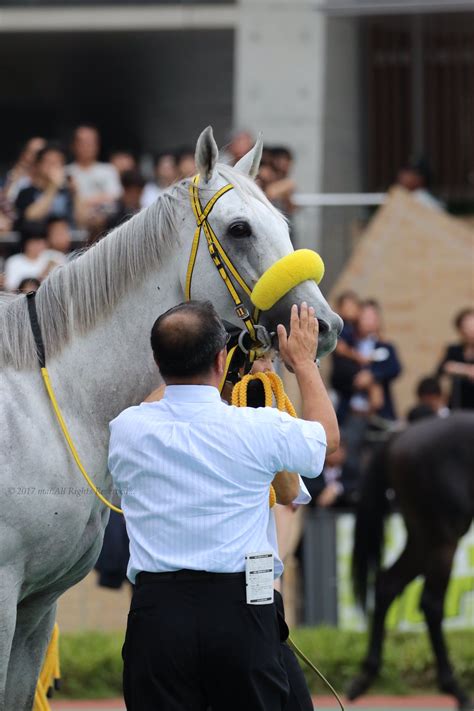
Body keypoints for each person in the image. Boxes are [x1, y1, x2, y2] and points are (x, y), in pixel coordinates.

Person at [108, 300, 339, 710]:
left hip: (157, 614)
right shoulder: (257, 426)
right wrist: (303, 363)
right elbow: (327, 439)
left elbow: (162, 396)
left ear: (158, 362)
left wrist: (211, 359)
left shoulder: (127, 429)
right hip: (240, 611)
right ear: (220, 359)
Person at [14, 145, 78, 235]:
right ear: (38, 165)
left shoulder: (68, 191)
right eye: (49, 162)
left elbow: (81, 221)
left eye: (57, 162)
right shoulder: (26, 192)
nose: (53, 166)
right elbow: (31, 217)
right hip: (36, 242)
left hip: (68, 243)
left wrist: (76, 194)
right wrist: (53, 187)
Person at [67, 125, 122, 227]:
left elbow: (115, 195)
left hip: (107, 226)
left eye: (91, 142)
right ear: (73, 145)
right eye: (83, 143)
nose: (87, 146)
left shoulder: (108, 170)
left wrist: (84, 202)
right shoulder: (67, 172)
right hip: (76, 226)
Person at [437, 308, 474, 410]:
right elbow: (442, 369)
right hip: (459, 404)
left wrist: (457, 368)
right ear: (460, 330)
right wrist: (466, 370)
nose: (472, 330)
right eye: (468, 326)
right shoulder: (454, 350)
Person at [304, 440, 359, 508]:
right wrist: (326, 491)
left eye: (340, 452)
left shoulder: (351, 471)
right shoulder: (314, 469)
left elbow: (356, 485)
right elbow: (307, 486)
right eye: (333, 451)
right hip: (313, 510)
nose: (336, 455)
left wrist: (336, 488)